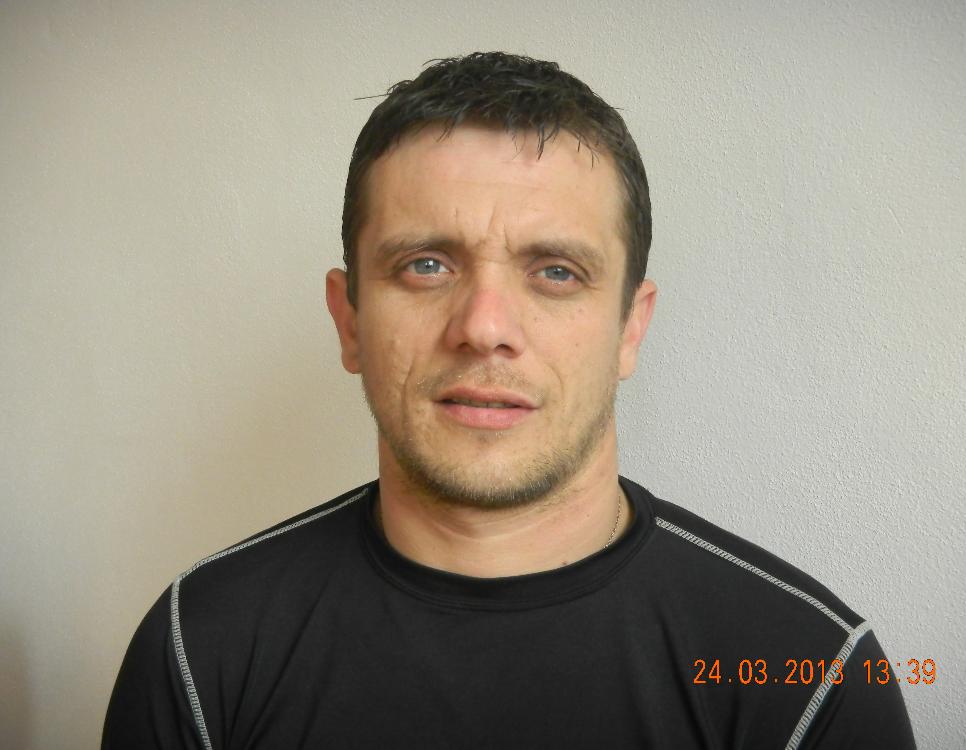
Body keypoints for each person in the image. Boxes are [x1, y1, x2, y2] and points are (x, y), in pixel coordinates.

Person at [103, 51, 915, 749]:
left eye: (556, 271)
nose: (484, 328)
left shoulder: (809, 675)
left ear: (630, 329)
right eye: (426, 265)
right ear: (349, 320)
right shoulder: (199, 649)